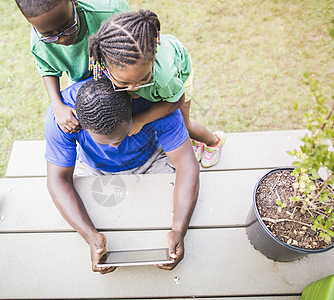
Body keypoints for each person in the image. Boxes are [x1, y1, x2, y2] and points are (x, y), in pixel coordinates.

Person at [45, 77, 200, 274]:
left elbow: (187, 165)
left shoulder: (154, 104)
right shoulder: (64, 117)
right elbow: (57, 179)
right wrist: (90, 235)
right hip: (95, 169)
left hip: (150, 160)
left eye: (122, 136)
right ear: (80, 125)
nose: (115, 147)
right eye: (104, 142)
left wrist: (179, 229)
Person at [88, 9, 226, 168]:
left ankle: (214, 142)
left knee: (184, 124)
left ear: (152, 62)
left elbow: (176, 101)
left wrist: (141, 120)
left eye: (143, 79)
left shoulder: (165, 79)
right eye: (124, 83)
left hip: (179, 76)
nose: (133, 87)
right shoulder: (102, 59)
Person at [15, 0, 129, 133]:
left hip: (121, 74)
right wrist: (57, 106)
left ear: (74, 3)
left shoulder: (112, 13)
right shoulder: (39, 43)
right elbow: (47, 69)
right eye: (50, 36)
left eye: (69, 27)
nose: (63, 39)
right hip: (80, 82)